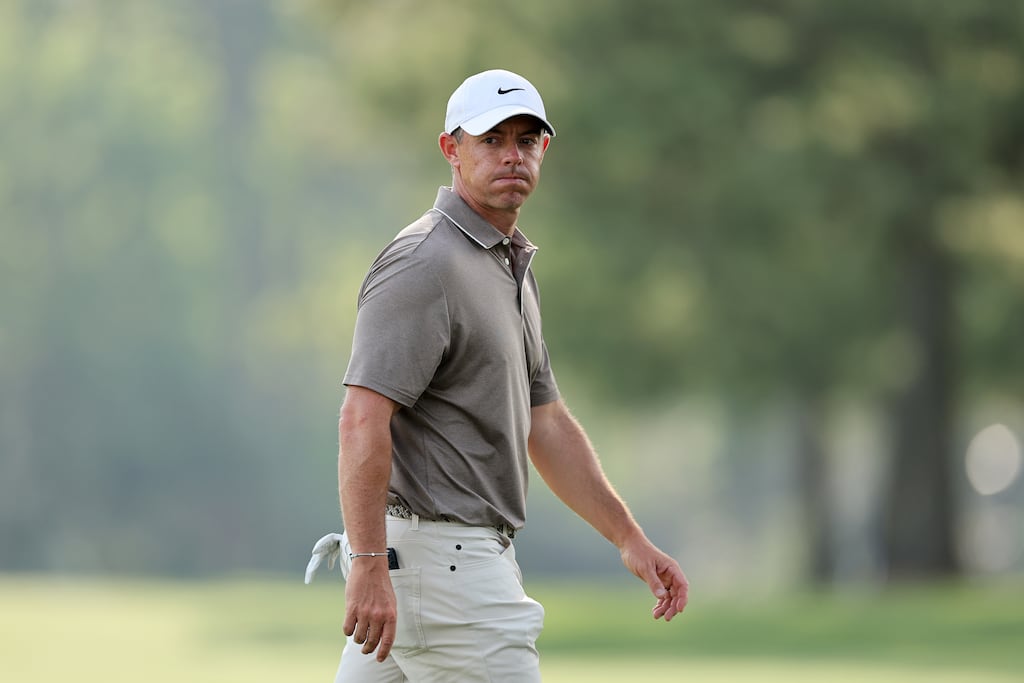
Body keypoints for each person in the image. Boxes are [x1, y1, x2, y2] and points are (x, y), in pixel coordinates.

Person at [315, 68, 688, 682]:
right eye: (491, 140)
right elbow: (361, 417)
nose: (512, 155)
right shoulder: (423, 263)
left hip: (429, 570)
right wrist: (366, 562)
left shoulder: (505, 264)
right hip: (445, 576)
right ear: (451, 150)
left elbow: (546, 422)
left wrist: (628, 538)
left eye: (527, 139)